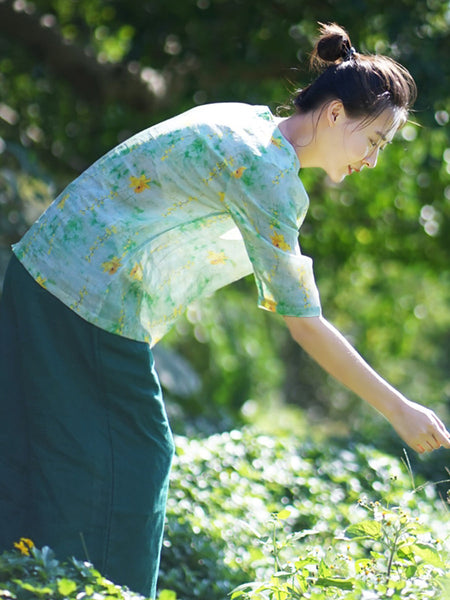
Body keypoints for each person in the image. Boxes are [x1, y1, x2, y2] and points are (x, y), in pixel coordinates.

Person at [1, 21, 449, 598]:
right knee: (135, 462)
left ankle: (29, 579)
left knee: (33, 444)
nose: (372, 160)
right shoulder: (268, 173)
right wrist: (399, 409)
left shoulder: (250, 122)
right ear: (335, 115)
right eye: (375, 141)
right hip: (82, 299)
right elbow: (303, 323)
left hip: (44, 271)